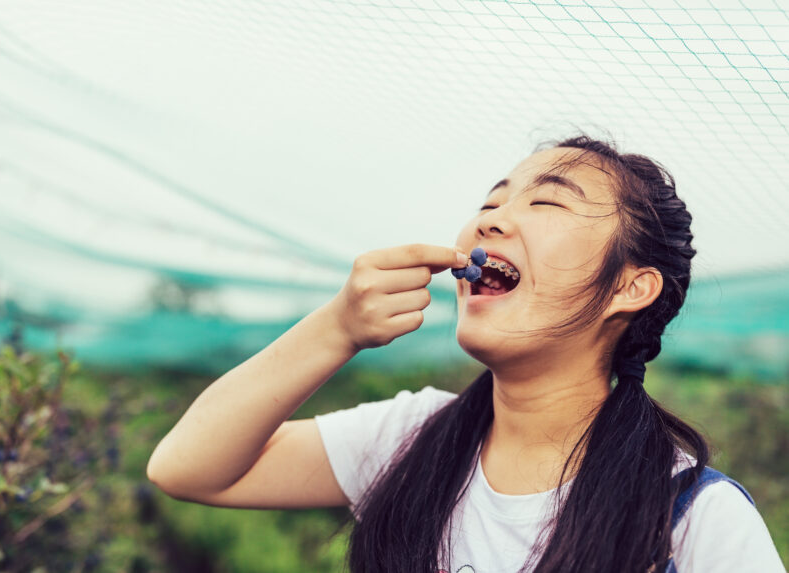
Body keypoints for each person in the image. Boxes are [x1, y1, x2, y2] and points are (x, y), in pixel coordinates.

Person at [146, 135, 784, 572]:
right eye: (490, 202)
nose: (491, 220)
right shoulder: (409, 436)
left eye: (546, 202)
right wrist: (335, 328)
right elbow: (188, 468)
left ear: (629, 285)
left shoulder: (696, 520)